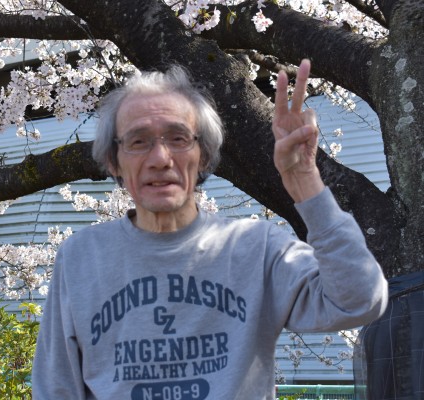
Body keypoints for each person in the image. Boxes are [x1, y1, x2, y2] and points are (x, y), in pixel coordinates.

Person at [31, 60, 388, 399]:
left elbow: (360, 299)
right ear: (114, 161)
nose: (160, 159)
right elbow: (55, 388)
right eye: (138, 142)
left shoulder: (257, 248)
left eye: (178, 138)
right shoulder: (81, 257)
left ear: (203, 155)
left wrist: (305, 181)